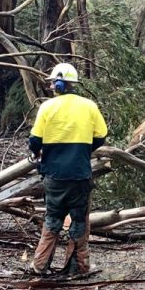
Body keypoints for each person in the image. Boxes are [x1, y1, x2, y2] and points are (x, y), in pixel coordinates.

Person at [28, 62, 108, 276]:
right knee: (79, 221)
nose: (51, 85)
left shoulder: (47, 107)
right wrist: (83, 150)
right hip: (80, 175)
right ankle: (79, 268)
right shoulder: (89, 106)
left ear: (58, 84)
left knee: (52, 220)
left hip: (53, 176)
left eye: (52, 82)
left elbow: (34, 140)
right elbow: (101, 135)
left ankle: (40, 265)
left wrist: (38, 153)